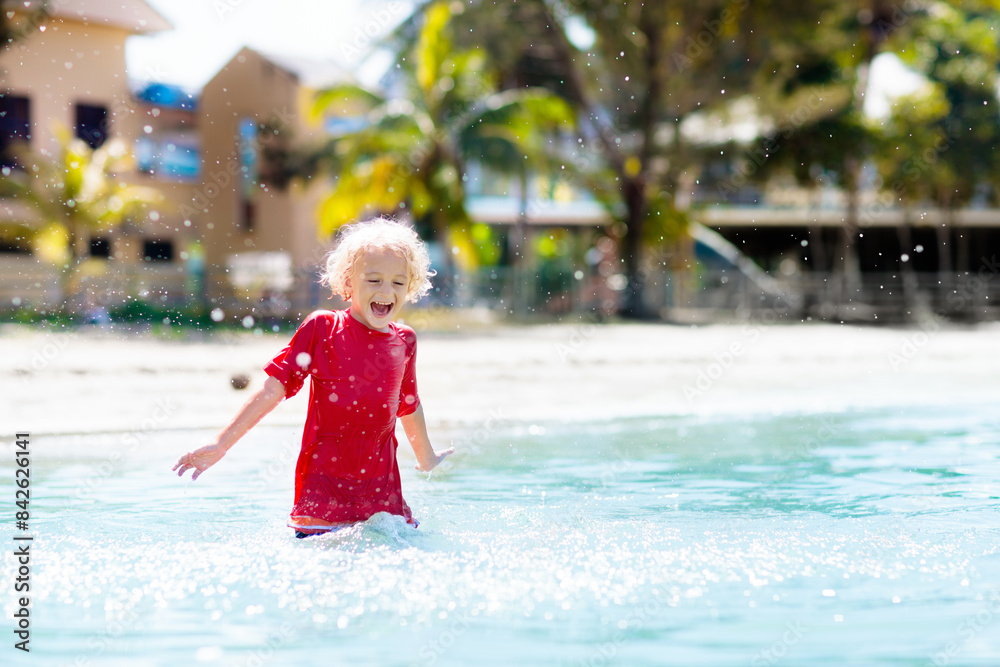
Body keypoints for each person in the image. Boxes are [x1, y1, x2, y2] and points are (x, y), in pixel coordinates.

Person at [173, 218, 454, 537]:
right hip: (323, 499)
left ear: (411, 286)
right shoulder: (323, 329)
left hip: (381, 500)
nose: (386, 291)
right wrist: (221, 444)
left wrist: (426, 457)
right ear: (348, 282)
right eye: (374, 280)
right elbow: (272, 390)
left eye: (398, 283)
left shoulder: (405, 341)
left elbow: (408, 404)